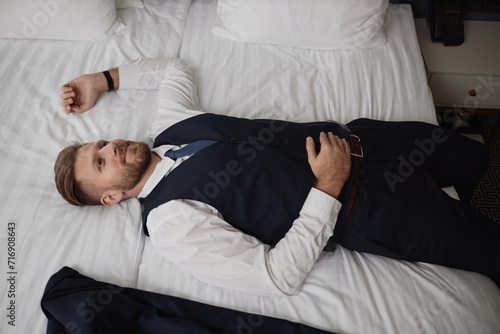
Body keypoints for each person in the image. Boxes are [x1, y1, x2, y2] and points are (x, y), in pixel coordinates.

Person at [55, 58, 500, 296]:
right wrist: (328, 185)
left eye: (100, 145)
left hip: (371, 140)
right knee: (489, 248)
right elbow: (275, 278)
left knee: (478, 159)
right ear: (112, 196)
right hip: (372, 208)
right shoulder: (168, 222)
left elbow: (172, 69)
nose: (110, 148)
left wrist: (102, 80)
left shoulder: (171, 125)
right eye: (100, 164)